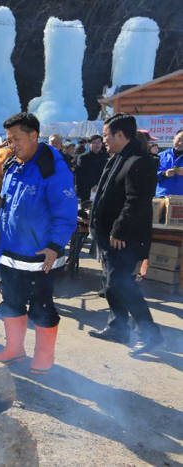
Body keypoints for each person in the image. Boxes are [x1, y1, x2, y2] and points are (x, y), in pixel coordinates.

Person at [0, 112, 77, 374]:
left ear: (34, 136)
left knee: (41, 306)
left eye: (16, 138)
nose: (11, 145)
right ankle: (14, 350)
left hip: (41, 254)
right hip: (11, 250)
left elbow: (66, 212)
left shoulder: (52, 167)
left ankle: (44, 357)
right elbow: (4, 207)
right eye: (8, 140)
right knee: (11, 301)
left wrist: (55, 246)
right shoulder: (13, 165)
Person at [89, 113, 163, 355]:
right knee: (111, 285)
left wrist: (119, 229)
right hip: (108, 235)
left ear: (120, 134)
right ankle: (118, 328)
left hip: (124, 237)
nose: (104, 139)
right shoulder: (118, 157)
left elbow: (136, 202)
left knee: (121, 284)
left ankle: (150, 333)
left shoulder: (140, 161)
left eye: (106, 135)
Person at [74, 134, 108, 202]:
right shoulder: (83, 157)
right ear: (89, 144)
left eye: (99, 142)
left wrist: (98, 184)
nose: (97, 145)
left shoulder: (105, 156)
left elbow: (106, 173)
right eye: (94, 142)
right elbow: (80, 175)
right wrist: (92, 185)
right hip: (86, 190)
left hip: (101, 188)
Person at [155, 128, 183, 196]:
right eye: (179, 139)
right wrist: (164, 174)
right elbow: (150, 176)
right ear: (174, 138)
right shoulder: (160, 156)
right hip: (162, 198)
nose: (181, 143)